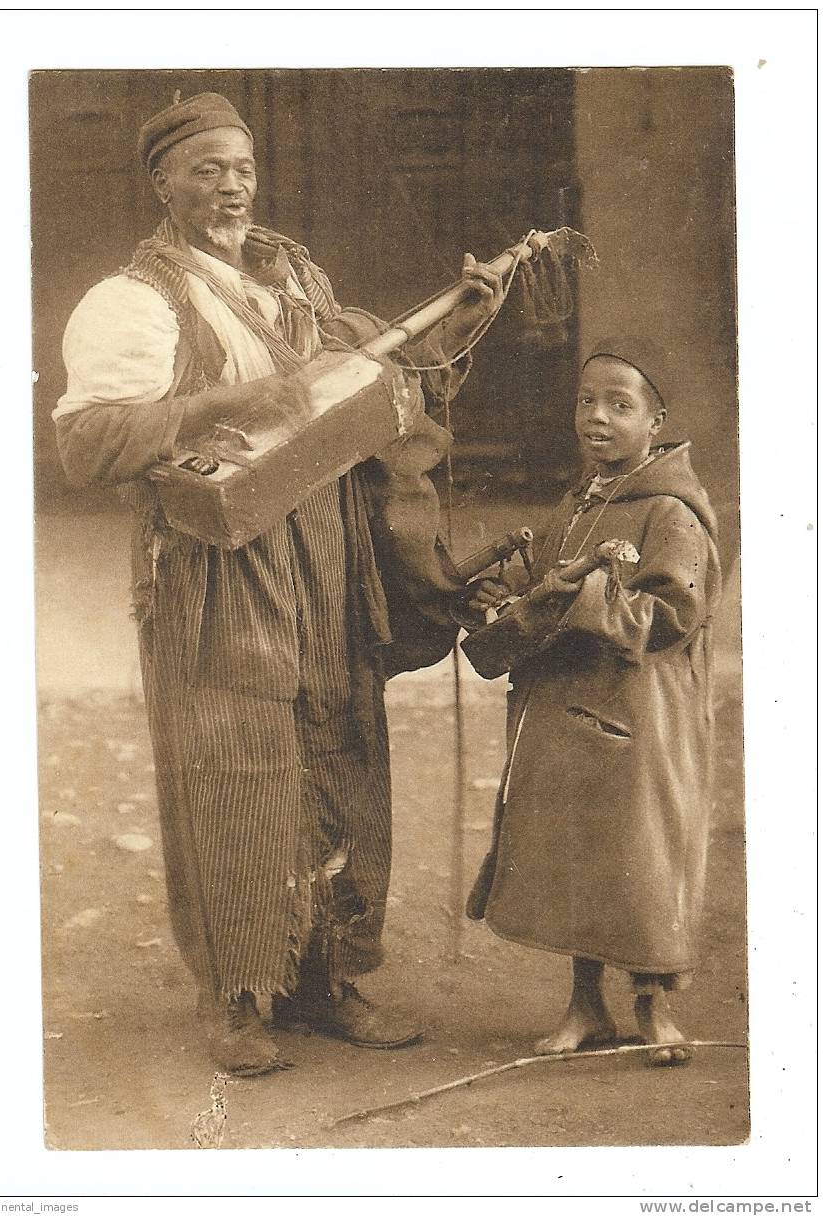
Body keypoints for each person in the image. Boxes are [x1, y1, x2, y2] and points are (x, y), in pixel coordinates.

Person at [53, 92, 503, 1074]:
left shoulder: (293, 278)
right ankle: (237, 997)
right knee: (234, 768)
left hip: (328, 547)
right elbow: (87, 442)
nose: (229, 188)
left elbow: (369, 375)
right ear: (163, 182)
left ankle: (328, 979)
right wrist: (229, 397)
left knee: (341, 750)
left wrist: (456, 317)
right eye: (206, 169)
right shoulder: (134, 301)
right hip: (218, 569)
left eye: (241, 169)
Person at [464, 337, 722, 1065]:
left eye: (620, 404)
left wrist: (576, 595)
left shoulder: (671, 511)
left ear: (656, 419)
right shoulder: (579, 503)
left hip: (644, 715)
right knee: (574, 851)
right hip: (565, 709)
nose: (597, 417)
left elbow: (674, 615)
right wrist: (509, 595)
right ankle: (584, 1005)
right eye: (587, 400)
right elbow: (544, 585)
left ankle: (654, 1007)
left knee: (643, 851)